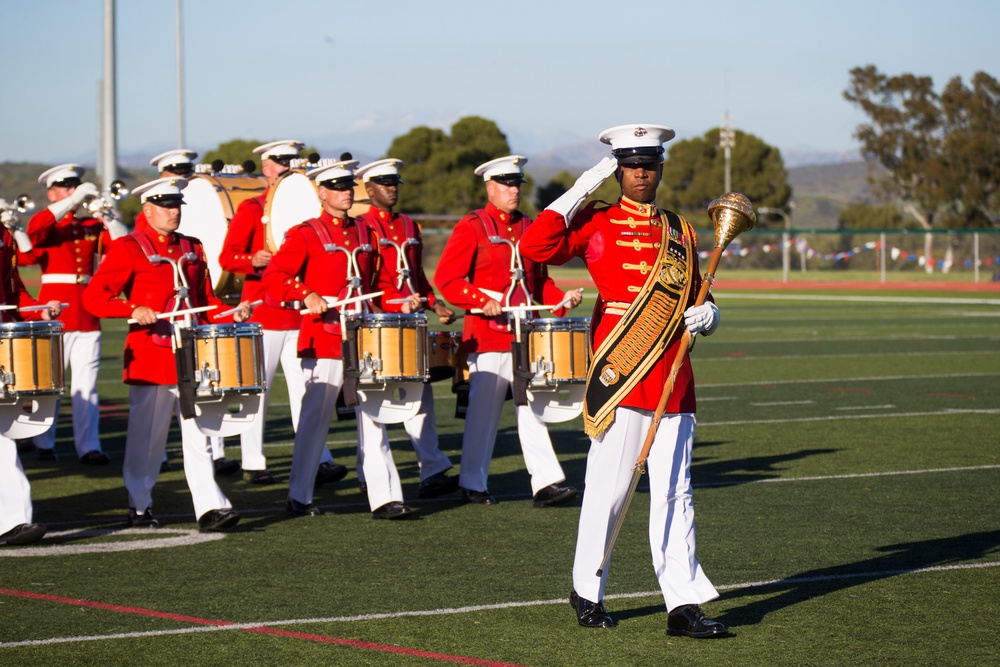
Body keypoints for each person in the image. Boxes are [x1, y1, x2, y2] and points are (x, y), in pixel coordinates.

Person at [518, 124, 727, 637]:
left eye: (649, 165)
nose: (641, 174)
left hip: (673, 378)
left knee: (676, 494)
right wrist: (584, 185)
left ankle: (682, 605)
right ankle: (587, 589)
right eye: (631, 166)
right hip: (620, 373)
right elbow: (535, 244)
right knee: (608, 491)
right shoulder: (596, 222)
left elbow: (699, 294)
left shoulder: (681, 230)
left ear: (659, 169)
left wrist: (711, 315)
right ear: (618, 170)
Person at [82, 177, 252, 532]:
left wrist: (230, 311)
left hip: (194, 352)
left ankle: (210, 507)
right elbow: (94, 297)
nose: (173, 212)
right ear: (147, 210)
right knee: (148, 437)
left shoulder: (192, 246)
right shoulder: (129, 247)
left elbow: (205, 301)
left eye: (176, 206)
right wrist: (133, 308)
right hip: (152, 355)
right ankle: (140, 503)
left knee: (199, 433)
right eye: (166, 206)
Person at [261, 159, 419, 520]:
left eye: (349, 186)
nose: (346, 191)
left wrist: (399, 299)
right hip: (325, 339)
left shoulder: (366, 233)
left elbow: (377, 285)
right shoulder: (305, 233)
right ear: (321, 193)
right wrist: (305, 294)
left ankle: (385, 497)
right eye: (337, 187)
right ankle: (299, 494)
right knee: (315, 421)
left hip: (365, 340)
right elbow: (275, 277)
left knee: (373, 417)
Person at [434, 155, 581, 507]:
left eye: (517, 184)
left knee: (532, 408)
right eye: (507, 184)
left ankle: (546, 483)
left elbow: (539, 283)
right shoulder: (473, 225)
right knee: (483, 414)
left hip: (526, 336)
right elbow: (447, 280)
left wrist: (561, 299)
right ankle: (472, 482)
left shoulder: (530, 226)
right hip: (489, 336)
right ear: (490, 188)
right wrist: (478, 300)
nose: (514, 190)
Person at [219, 140, 345, 486]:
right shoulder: (251, 208)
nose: (288, 166)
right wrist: (252, 260)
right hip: (263, 308)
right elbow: (227, 258)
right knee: (257, 388)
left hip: (299, 311)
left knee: (306, 389)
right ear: (266, 167)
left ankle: (319, 458)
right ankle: (253, 461)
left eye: (292, 160)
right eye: (281, 161)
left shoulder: (308, 208)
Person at [354, 158, 459, 499]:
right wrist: (392, 304)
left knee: (421, 395)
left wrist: (435, 302)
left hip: (411, 324)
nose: (392, 189)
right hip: (377, 323)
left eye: (395, 183)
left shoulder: (410, 226)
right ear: (368, 190)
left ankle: (432, 468)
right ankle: (366, 471)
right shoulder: (362, 227)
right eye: (384, 184)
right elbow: (362, 282)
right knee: (373, 400)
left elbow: (417, 277)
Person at [22, 164, 110, 465]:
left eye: (75, 186)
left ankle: (89, 446)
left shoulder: (90, 226)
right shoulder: (49, 225)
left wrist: (108, 215)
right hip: (53, 311)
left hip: (86, 311)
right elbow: (34, 228)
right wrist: (72, 202)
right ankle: (42, 441)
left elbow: (118, 244)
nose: (72, 191)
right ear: (52, 193)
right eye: (66, 187)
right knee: (50, 383)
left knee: (86, 385)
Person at [0, 224, 63, 547]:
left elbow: (12, 293)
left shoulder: (4, 233)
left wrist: (38, 308)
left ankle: (13, 520)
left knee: (2, 435)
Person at [133, 149, 198, 234]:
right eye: (177, 172)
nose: (183, 176)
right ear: (162, 174)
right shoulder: (150, 214)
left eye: (187, 172)